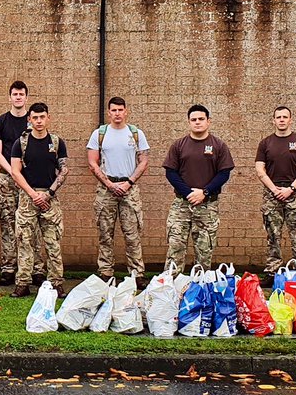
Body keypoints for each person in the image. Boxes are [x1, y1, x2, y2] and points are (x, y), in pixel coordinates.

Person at [86, 96, 151, 286]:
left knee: (133, 234)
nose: (117, 114)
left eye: (120, 110)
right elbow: (92, 162)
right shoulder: (99, 134)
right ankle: (105, 272)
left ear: (126, 111)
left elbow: (144, 161)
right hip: (107, 190)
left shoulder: (136, 134)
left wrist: (128, 183)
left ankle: (137, 274)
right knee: (105, 234)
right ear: (108, 112)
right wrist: (109, 184)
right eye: (113, 110)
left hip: (129, 189)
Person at [162, 104, 234, 271]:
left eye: (201, 119)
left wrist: (204, 192)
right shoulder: (179, 145)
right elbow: (171, 173)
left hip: (207, 206)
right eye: (193, 120)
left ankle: (200, 288)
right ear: (189, 122)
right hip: (182, 205)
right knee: (175, 248)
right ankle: (171, 288)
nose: (197, 122)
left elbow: (224, 174)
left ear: (208, 121)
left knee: (204, 251)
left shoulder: (219, 146)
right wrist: (189, 193)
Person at [0, 80, 45, 286]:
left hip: (29, 181)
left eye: (21, 94)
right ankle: (9, 268)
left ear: (26, 97)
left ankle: (36, 269)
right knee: (8, 224)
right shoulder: (0, 122)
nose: (18, 97)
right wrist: (13, 171)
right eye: (15, 94)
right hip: (7, 179)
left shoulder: (33, 122)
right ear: (9, 97)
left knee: (33, 225)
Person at [9, 102, 67, 297]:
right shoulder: (21, 143)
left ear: (48, 118)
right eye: (35, 118)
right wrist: (33, 194)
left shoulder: (57, 142)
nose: (39, 121)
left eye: (42, 117)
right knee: (24, 241)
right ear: (29, 119)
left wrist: (48, 193)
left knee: (53, 242)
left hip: (50, 199)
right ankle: (23, 283)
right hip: (27, 197)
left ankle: (56, 283)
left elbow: (64, 170)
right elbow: (15, 172)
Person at [254, 105, 296, 276]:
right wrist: (274, 190)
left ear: (290, 119)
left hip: (294, 194)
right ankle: (273, 271)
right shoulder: (265, 143)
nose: (281, 120)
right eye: (278, 117)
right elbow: (260, 169)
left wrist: (291, 189)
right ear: (273, 120)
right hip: (271, 195)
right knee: (273, 235)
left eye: (284, 117)